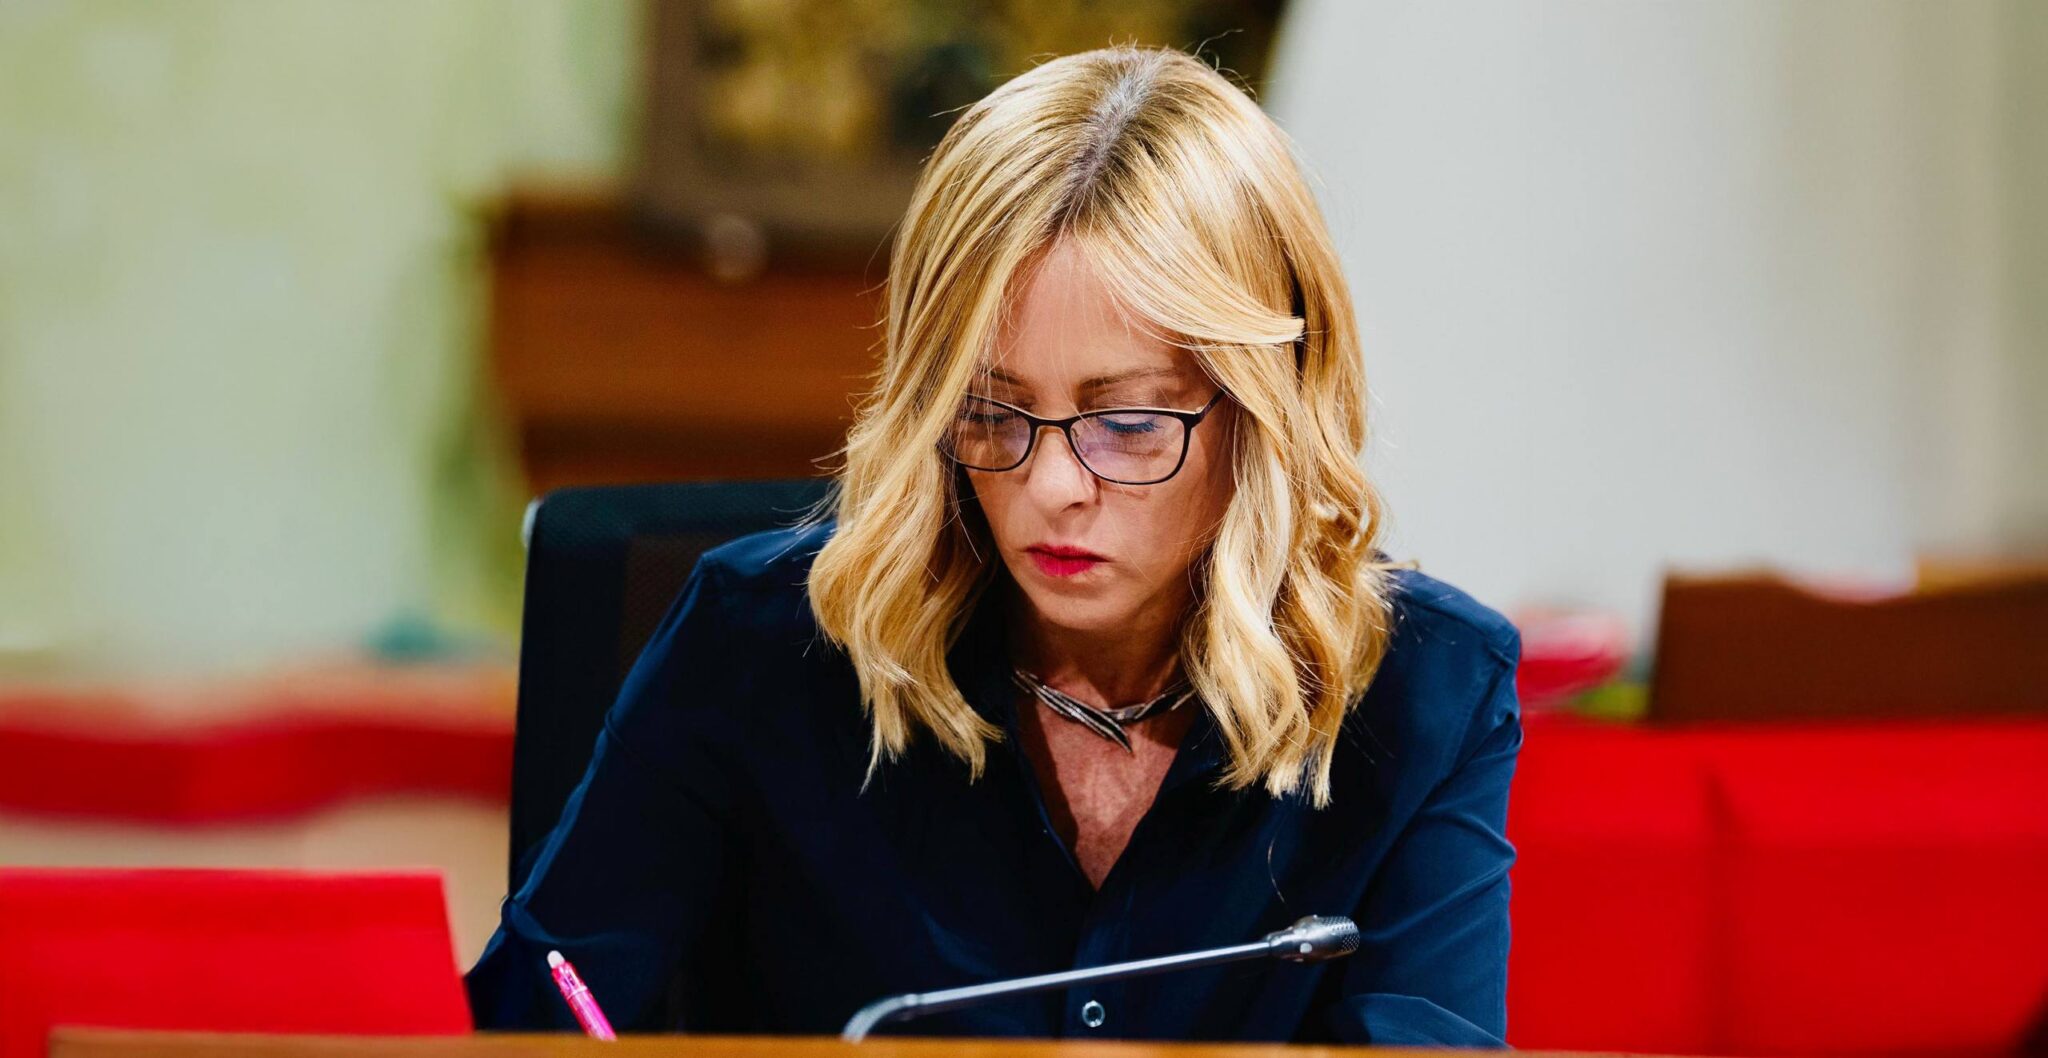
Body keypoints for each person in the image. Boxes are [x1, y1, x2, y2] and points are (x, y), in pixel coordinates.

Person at [467, 45, 1521, 1046]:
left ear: (1265, 410)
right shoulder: (757, 644)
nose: (1051, 487)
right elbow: (521, 1024)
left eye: (1128, 422)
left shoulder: (1423, 693)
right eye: (989, 411)